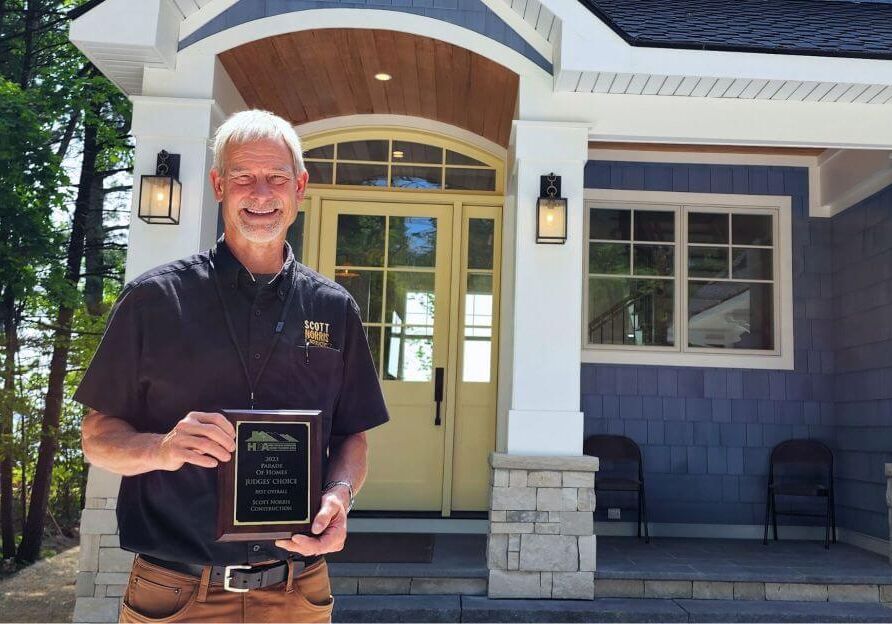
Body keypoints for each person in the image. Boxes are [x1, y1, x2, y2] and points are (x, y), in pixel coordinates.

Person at [76, 109, 389, 623]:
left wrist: (340, 495)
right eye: (243, 177)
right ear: (220, 185)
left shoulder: (334, 308)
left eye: (276, 178)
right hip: (177, 593)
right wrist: (162, 448)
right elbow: (97, 436)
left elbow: (354, 436)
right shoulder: (154, 300)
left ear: (300, 188)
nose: (261, 194)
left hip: (298, 593)